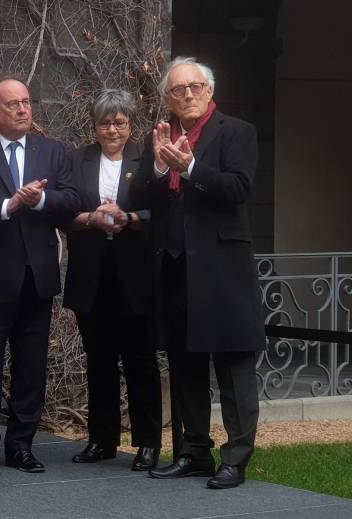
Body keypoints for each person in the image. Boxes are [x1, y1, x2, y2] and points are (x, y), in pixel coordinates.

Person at [129, 57, 264, 489]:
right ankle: (194, 451)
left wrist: (188, 169)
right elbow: (136, 195)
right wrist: (157, 167)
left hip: (221, 270)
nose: (186, 94)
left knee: (233, 365)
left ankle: (236, 459)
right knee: (185, 365)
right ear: (167, 97)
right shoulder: (161, 137)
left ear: (209, 90)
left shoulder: (236, 131)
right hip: (173, 267)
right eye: (177, 89)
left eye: (195, 87)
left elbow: (238, 188)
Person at [0, 74, 80, 476]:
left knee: (31, 370)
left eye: (26, 102)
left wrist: (41, 200)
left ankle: (21, 446)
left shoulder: (53, 152)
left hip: (36, 280)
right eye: (12, 104)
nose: (23, 109)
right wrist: (7, 205)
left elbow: (73, 201)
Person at [63, 90, 162, 471]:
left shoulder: (149, 159)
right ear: (94, 125)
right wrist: (91, 217)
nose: (112, 129)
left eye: (119, 121)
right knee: (99, 361)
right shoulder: (78, 160)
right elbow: (65, 208)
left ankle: (148, 444)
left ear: (131, 125)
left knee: (141, 361)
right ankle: (101, 441)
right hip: (92, 276)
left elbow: (162, 211)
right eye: (105, 122)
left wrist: (130, 218)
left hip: (135, 277)